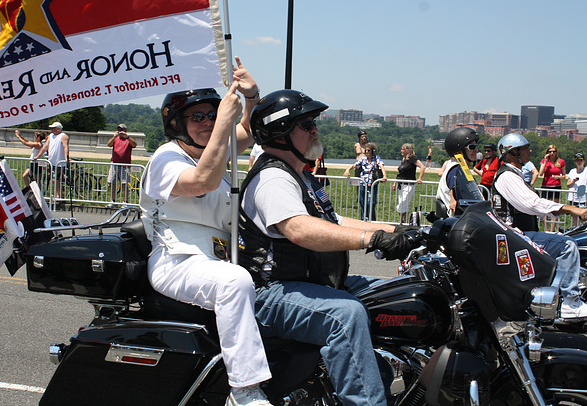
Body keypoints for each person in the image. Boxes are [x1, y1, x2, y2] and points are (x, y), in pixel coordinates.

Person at [239, 89, 416, 406]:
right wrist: (372, 240)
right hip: (273, 291)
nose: (315, 130)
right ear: (280, 132)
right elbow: (299, 229)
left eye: (313, 123)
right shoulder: (272, 179)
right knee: (345, 315)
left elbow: (336, 221)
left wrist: (405, 232)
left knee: (399, 291)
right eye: (306, 125)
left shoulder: (300, 177)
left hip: (311, 283)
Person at [139, 58, 273, 406]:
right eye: (197, 117)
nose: (208, 122)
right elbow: (201, 183)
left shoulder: (212, 153)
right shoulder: (166, 160)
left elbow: (250, 130)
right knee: (235, 283)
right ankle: (244, 393)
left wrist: (252, 97)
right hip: (177, 261)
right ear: (176, 124)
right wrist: (225, 123)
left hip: (217, 259)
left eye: (212, 115)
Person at [491, 133, 587, 319]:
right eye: (525, 148)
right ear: (513, 153)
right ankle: (570, 302)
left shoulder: (514, 175)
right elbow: (532, 204)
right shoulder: (507, 176)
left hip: (517, 236)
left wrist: (562, 209)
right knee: (567, 245)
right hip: (515, 237)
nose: (530, 151)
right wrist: (572, 209)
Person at [437, 127, 484, 217]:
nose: (476, 150)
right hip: (458, 221)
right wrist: (452, 198)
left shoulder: (462, 169)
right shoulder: (455, 168)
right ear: (459, 151)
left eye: (476, 146)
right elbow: (453, 185)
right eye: (471, 147)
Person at [343, 142, 387, 221]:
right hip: (363, 182)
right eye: (365, 150)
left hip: (372, 182)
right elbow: (355, 165)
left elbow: (381, 166)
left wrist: (384, 176)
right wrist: (347, 170)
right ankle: (363, 219)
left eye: (368, 150)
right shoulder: (363, 159)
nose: (367, 152)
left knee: (371, 203)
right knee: (362, 201)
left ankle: (372, 219)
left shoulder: (376, 158)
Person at [32, 121, 70, 201]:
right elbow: (45, 147)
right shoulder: (51, 136)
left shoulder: (63, 136)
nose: (51, 130)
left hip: (59, 162)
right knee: (53, 179)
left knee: (57, 179)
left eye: (53, 128)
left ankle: (59, 196)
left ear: (58, 129)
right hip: (51, 162)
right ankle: (57, 196)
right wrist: (38, 156)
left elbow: (65, 147)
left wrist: (66, 158)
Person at [392, 143, 425, 224]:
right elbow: (401, 173)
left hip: (408, 185)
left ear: (408, 150)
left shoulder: (412, 158)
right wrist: (395, 183)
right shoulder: (404, 160)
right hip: (401, 185)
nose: (401, 151)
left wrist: (420, 178)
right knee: (403, 205)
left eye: (403, 149)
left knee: (402, 204)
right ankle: (404, 222)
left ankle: (402, 221)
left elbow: (422, 167)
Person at [107, 123, 138, 207]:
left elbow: (135, 144)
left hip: (125, 165)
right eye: (119, 129)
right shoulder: (115, 139)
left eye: (122, 130)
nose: (120, 131)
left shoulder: (129, 140)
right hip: (114, 164)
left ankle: (125, 202)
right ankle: (113, 201)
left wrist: (127, 137)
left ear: (125, 131)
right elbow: (109, 144)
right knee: (113, 183)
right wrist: (114, 137)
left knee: (124, 184)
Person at [540, 144, 566, 230]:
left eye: (554, 151)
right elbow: (541, 173)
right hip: (546, 186)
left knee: (555, 208)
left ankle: (552, 229)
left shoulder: (561, 161)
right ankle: (546, 229)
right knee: (545, 208)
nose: (552, 153)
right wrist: (545, 161)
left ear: (556, 152)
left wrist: (558, 177)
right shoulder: (544, 161)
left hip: (556, 186)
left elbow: (564, 176)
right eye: (550, 151)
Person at [567, 152, 587, 227]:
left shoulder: (586, 170)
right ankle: (575, 229)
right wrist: (573, 181)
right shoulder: (572, 171)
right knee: (574, 216)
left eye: (580, 160)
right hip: (573, 197)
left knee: (584, 216)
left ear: (584, 161)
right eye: (577, 160)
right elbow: (568, 184)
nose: (579, 162)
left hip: (583, 198)